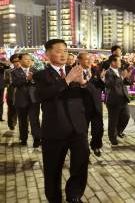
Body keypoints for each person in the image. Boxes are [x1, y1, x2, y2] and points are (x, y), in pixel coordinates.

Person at [33, 39, 90, 203]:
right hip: (55, 131)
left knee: (80, 165)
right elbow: (45, 94)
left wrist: (84, 84)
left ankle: (74, 194)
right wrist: (67, 80)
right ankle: (54, 198)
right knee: (53, 170)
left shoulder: (75, 71)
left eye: (65, 51)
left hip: (78, 129)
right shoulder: (40, 75)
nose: (63, 54)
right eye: (58, 50)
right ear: (47, 54)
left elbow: (89, 98)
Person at [11, 53, 41, 147]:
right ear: (20, 61)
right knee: (22, 121)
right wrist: (26, 79)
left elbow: (39, 84)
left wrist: (32, 80)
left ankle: (37, 139)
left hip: (34, 100)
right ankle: (23, 139)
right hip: (21, 100)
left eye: (29, 59)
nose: (28, 60)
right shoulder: (15, 72)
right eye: (26, 59)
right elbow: (15, 84)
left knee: (34, 121)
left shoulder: (35, 71)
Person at [78, 52, 104, 157]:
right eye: (86, 59)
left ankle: (96, 146)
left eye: (90, 59)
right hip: (83, 106)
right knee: (83, 131)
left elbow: (100, 87)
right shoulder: (75, 72)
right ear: (79, 60)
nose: (89, 61)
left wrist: (102, 79)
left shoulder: (95, 70)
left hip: (96, 104)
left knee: (98, 128)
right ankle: (85, 152)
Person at [104, 55, 131, 146]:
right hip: (113, 100)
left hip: (123, 99)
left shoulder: (120, 71)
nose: (120, 62)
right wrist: (122, 78)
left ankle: (119, 131)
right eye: (119, 61)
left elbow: (124, 82)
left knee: (126, 116)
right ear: (113, 62)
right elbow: (111, 85)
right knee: (113, 121)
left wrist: (127, 78)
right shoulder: (108, 72)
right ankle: (113, 138)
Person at [5, 54, 20, 130]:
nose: (17, 63)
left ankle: (24, 127)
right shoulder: (8, 71)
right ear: (12, 62)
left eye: (18, 60)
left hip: (23, 94)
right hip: (12, 93)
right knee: (12, 109)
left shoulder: (25, 70)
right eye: (15, 61)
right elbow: (7, 82)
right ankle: (11, 123)